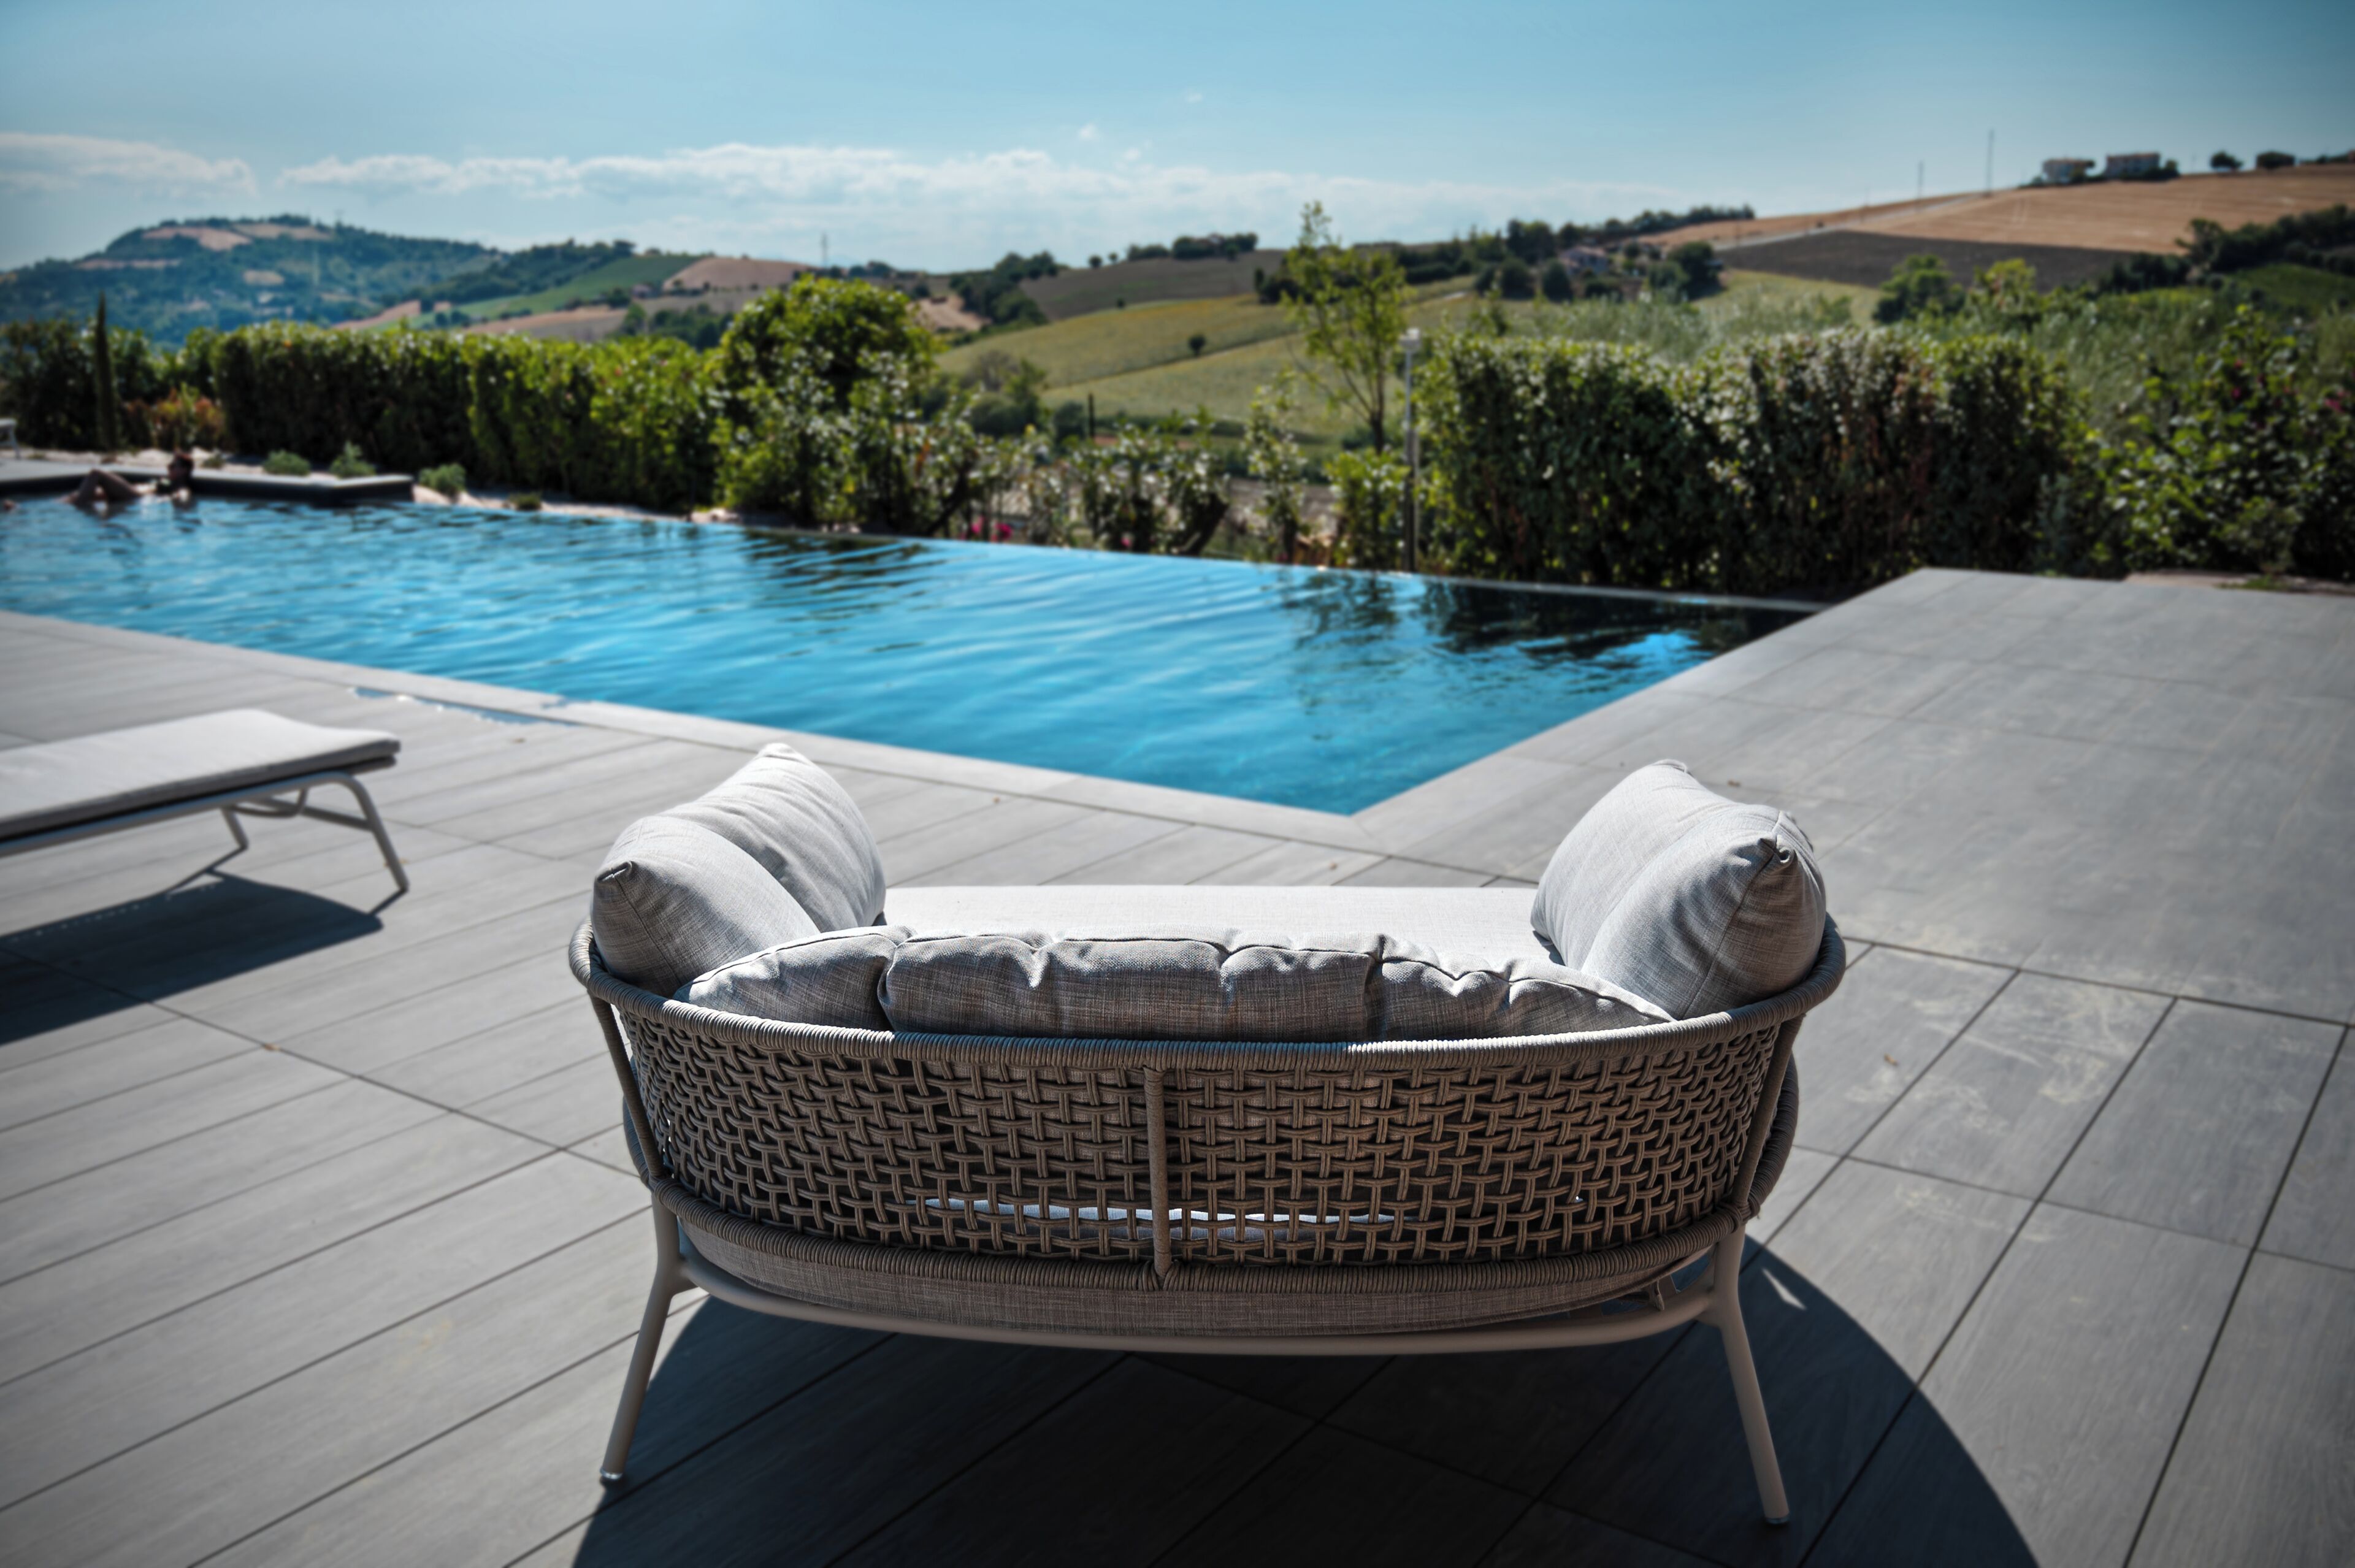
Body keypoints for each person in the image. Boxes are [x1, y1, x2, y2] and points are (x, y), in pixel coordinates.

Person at [69, 450, 194, 509]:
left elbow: (183, 496)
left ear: (184, 470)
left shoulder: (180, 486)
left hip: (134, 495)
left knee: (96, 474)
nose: (169, 468)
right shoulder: (167, 481)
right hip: (130, 492)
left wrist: (172, 499)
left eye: (173, 466)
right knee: (73, 496)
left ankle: (78, 511)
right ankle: (72, 505)